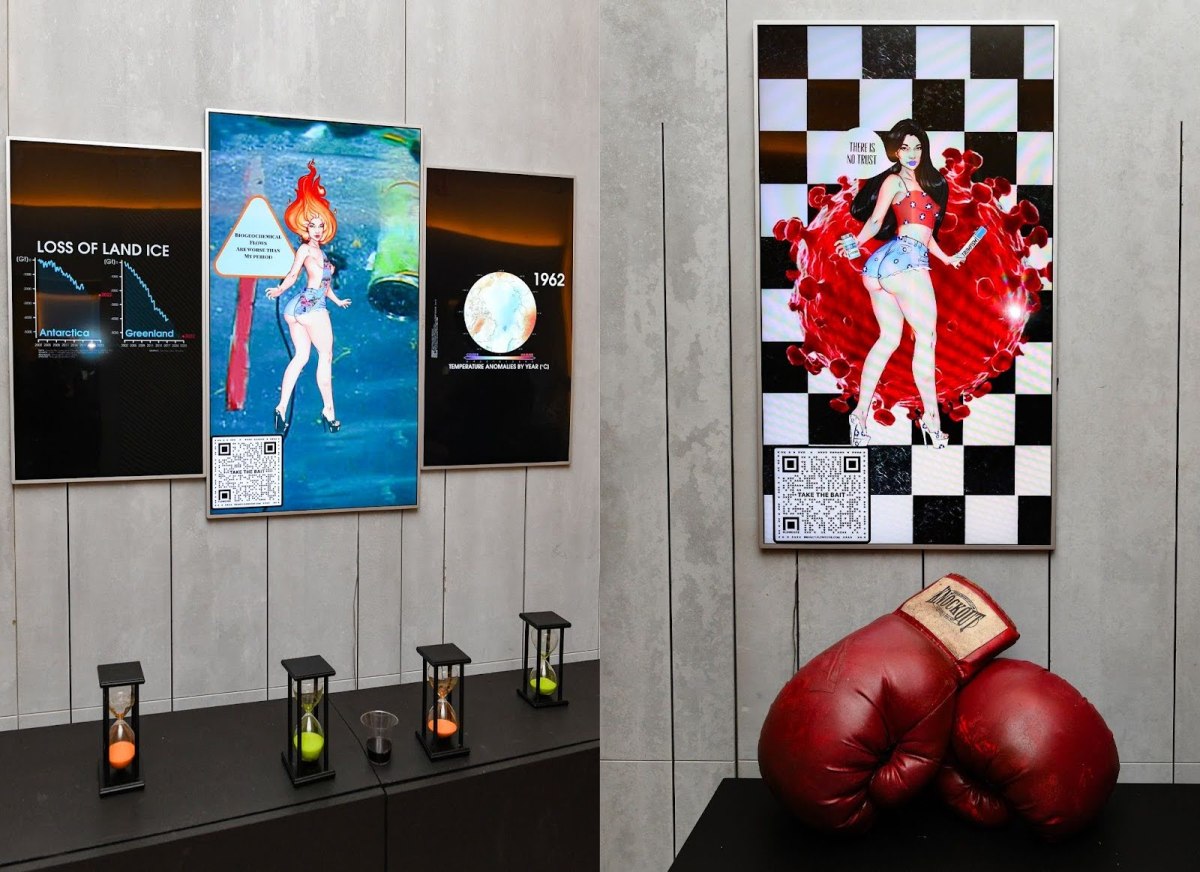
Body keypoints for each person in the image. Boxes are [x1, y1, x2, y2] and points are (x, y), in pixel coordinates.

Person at [835, 119, 965, 448]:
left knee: (889, 338)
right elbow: (876, 219)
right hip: (905, 263)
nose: (911, 153)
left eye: (917, 147)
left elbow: (925, 233)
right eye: (904, 147)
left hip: (885, 266)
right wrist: (854, 241)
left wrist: (947, 258)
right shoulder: (894, 180)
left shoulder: (929, 184)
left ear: (925, 149)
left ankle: (859, 416)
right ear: (894, 151)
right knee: (927, 339)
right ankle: (932, 422)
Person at [266, 160, 351, 434]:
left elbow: (323, 284)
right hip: (311, 308)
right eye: (313, 225)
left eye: (320, 225)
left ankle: (281, 408)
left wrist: (337, 300)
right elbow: (293, 274)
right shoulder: (305, 250)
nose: (317, 229)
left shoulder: (321, 254)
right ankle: (329, 411)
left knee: (301, 356)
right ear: (305, 227)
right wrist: (280, 289)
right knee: (325, 356)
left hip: (298, 308)